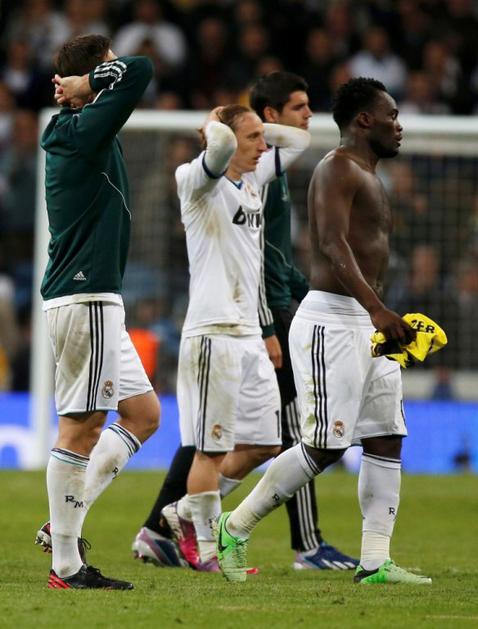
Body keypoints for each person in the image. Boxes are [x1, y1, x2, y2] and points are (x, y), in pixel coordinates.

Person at [132, 74, 356, 572]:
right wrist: (221, 126)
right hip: (213, 333)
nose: (263, 145)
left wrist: (251, 125)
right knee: (210, 450)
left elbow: (297, 140)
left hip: (250, 335)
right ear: (229, 141)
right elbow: (216, 151)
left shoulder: (254, 181)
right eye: (253, 138)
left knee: (265, 443)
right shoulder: (196, 180)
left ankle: (181, 512)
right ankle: (206, 549)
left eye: (261, 136)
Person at [214, 77, 433, 585]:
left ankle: (374, 562)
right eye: (391, 116)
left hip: (366, 321)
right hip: (332, 321)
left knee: (385, 437)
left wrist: (380, 313)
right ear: (364, 120)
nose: (398, 126)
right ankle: (234, 526)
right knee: (326, 445)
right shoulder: (337, 168)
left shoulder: (368, 174)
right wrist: (378, 310)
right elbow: (332, 245)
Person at [35, 34, 160, 590]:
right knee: (81, 426)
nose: (115, 69)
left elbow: (131, 71)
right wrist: (90, 81)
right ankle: (66, 565)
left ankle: (63, 519)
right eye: (104, 64)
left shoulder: (84, 126)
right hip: (85, 296)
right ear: (89, 76)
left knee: (143, 414)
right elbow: (141, 68)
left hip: (97, 298)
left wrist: (87, 82)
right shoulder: (83, 129)